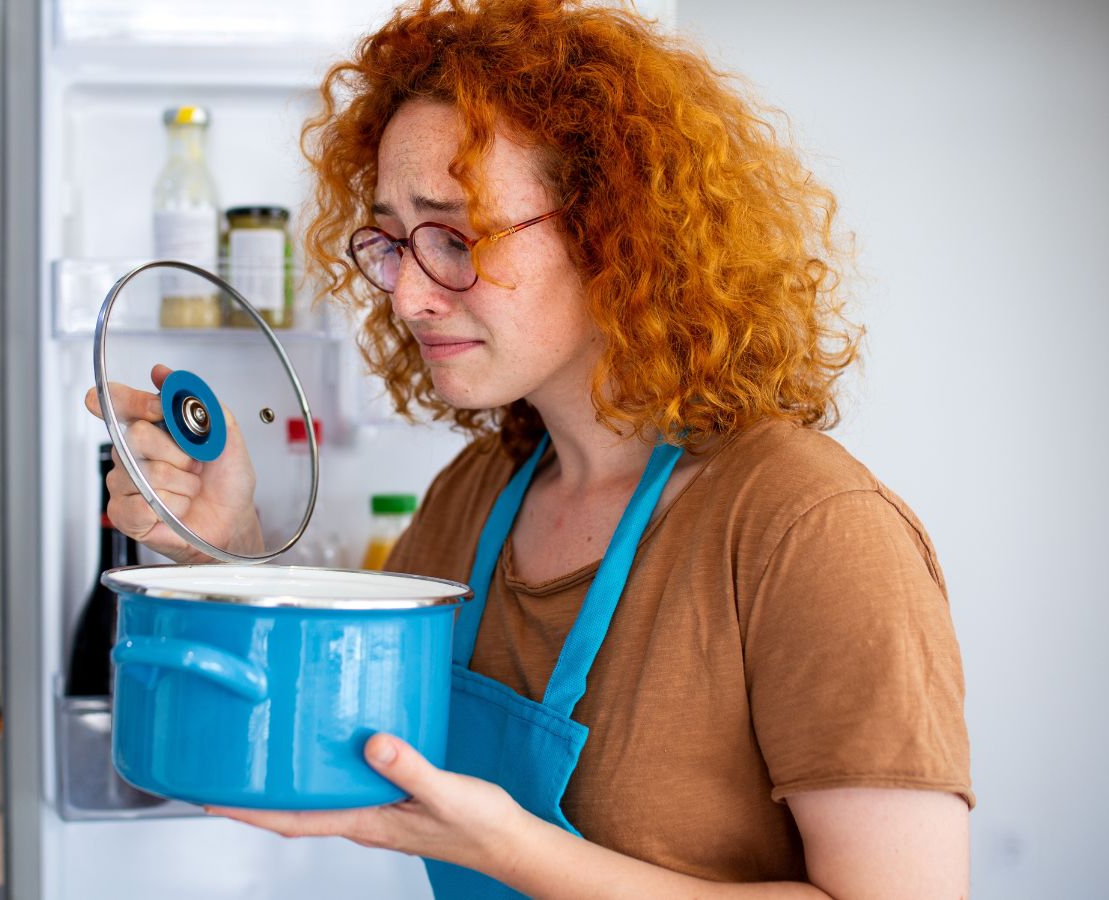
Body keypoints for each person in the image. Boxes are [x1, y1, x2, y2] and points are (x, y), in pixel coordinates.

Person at [86, 0, 972, 896]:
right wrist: (227, 548)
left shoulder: (810, 531)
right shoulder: (478, 495)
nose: (407, 297)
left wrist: (511, 849)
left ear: (617, 234)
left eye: (455, 238)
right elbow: (335, 711)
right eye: (393, 242)